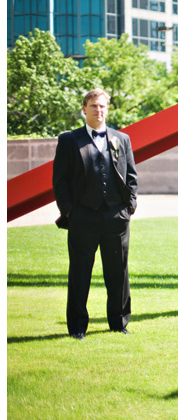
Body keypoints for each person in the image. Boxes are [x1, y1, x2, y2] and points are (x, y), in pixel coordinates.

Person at [52, 89, 137, 340]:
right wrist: (69, 211)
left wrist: (129, 207)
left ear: (107, 109)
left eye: (102, 106)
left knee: (118, 272)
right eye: (93, 106)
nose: (98, 110)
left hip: (116, 217)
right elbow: (61, 181)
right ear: (84, 109)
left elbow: (131, 176)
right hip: (83, 217)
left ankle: (119, 323)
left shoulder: (122, 139)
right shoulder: (69, 140)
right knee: (79, 273)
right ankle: (77, 327)